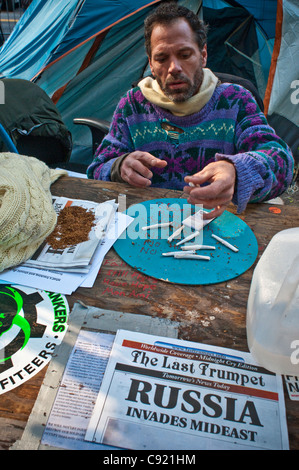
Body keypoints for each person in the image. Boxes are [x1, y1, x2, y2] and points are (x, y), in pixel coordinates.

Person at [87, 2, 294, 219]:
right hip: (147, 231)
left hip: (219, 229)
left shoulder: (235, 100)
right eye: (162, 58)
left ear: (203, 55)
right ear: (150, 63)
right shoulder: (133, 105)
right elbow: (96, 169)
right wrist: (118, 167)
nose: (174, 67)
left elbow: (282, 162)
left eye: (185, 54)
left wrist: (237, 170)